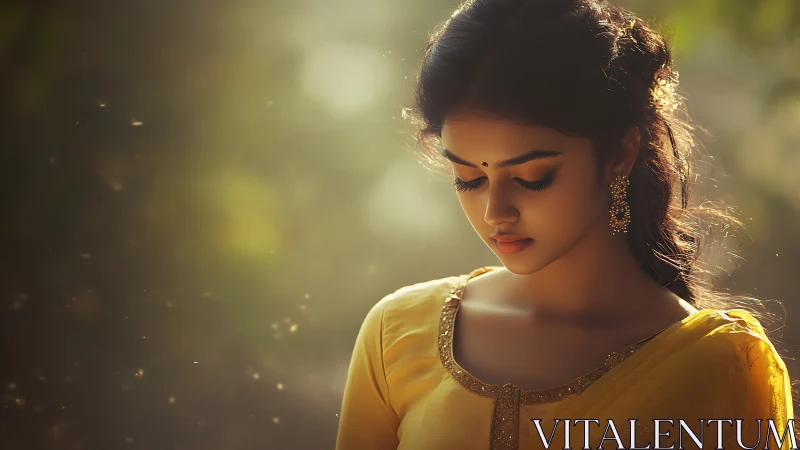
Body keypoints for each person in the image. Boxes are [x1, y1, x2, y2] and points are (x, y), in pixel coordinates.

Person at [334, 0, 796, 449]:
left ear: (619, 153)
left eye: (533, 178)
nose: (496, 212)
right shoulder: (397, 332)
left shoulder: (716, 365)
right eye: (469, 179)